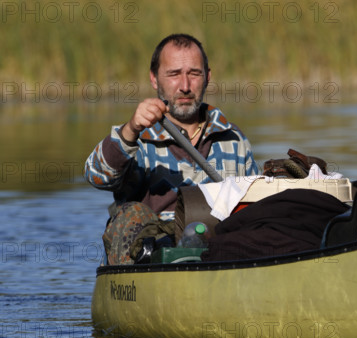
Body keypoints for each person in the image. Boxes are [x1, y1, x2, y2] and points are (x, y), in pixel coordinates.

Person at [85, 33, 259, 265]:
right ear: (155, 79)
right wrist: (130, 130)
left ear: (207, 77)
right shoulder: (137, 139)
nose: (185, 86)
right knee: (130, 216)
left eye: (194, 74)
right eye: (174, 74)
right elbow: (97, 176)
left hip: (219, 259)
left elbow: (255, 210)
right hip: (152, 266)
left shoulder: (234, 139)